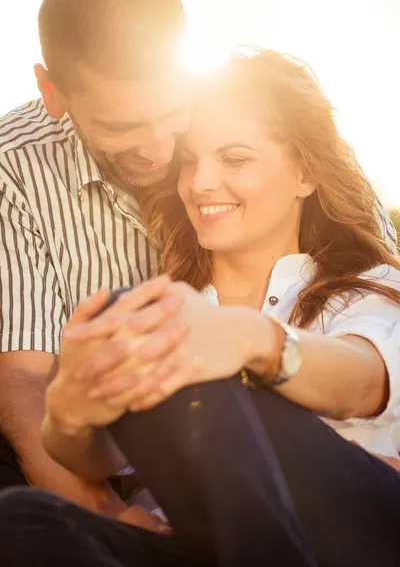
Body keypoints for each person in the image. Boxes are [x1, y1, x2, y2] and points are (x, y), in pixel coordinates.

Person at [1, 50, 400, 566]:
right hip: (198, 542)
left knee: (180, 348)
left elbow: (364, 382)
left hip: (352, 532)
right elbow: (114, 459)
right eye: (190, 160)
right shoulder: (170, 297)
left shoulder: (365, 286)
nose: (201, 182)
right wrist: (71, 419)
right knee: (21, 519)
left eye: (234, 158)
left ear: (305, 173)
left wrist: (254, 340)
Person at [0, 0, 189, 514]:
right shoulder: (13, 168)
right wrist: (118, 522)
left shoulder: (241, 118)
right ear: (52, 91)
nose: (157, 148)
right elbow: (25, 381)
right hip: (75, 439)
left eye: (172, 110)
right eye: (121, 126)